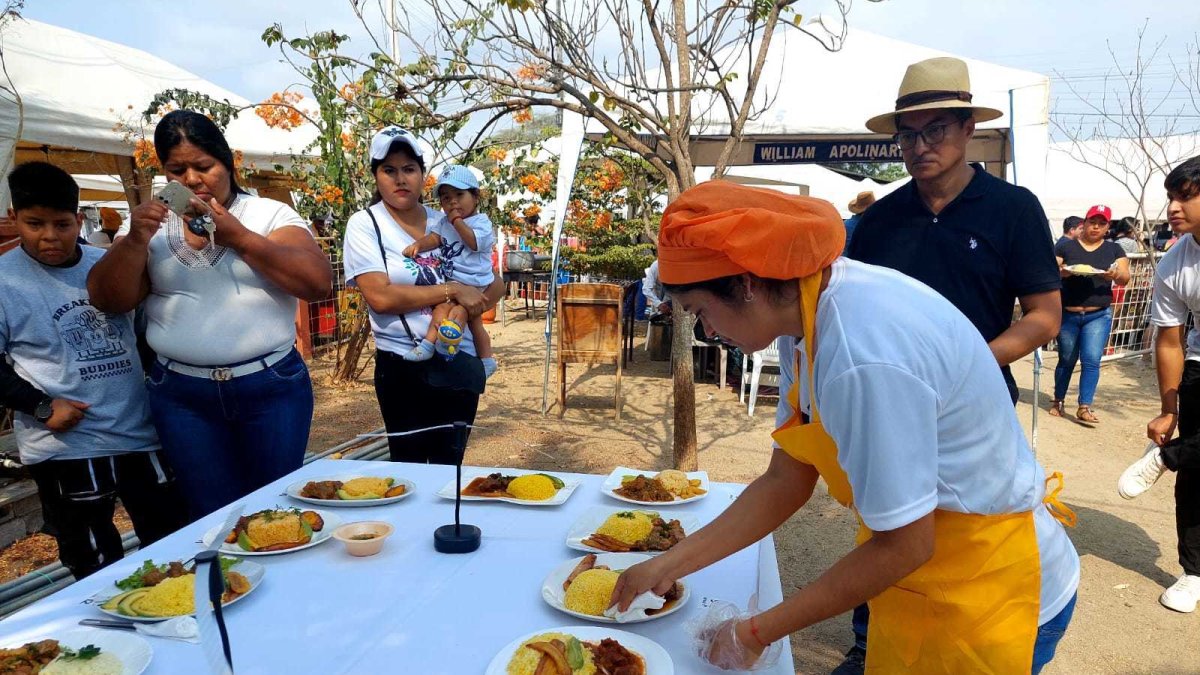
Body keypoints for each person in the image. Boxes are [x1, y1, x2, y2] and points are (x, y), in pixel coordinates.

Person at [609, 181, 1079, 673]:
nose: (708, 332)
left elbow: (906, 544)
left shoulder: (861, 352)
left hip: (992, 588)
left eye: (701, 312)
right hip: (922, 577)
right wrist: (668, 563)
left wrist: (754, 632)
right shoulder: (800, 322)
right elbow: (785, 480)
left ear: (746, 282)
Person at [841, 56, 1062, 670]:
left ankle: (973, 638)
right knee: (889, 519)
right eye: (907, 133)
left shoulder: (1013, 208)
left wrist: (970, 363)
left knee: (972, 528)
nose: (919, 146)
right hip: (892, 406)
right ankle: (873, 638)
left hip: (977, 403)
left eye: (935, 129)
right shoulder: (879, 221)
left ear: (968, 129)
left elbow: (1044, 315)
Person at [87, 110, 332, 520]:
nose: (192, 180)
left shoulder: (268, 215)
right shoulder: (149, 224)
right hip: (183, 396)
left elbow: (316, 283)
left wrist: (238, 236)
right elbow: (109, 299)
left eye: (204, 166)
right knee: (210, 517)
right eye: (176, 170)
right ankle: (221, 585)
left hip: (270, 387)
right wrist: (134, 242)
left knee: (276, 511)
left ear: (228, 163)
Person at [0, 162, 185, 579]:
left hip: (138, 434)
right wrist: (42, 405)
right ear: (13, 217)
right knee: (93, 559)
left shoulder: (108, 264)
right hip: (67, 446)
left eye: (62, 224)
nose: (50, 236)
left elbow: (145, 334)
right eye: (34, 223)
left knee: (173, 542)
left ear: (79, 219)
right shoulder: (4, 281)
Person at [343, 127, 504, 464]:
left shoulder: (445, 218)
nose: (400, 179)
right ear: (375, 175)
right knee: (411, 469)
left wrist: (466, 309)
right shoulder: (366, 224)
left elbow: (497, 283)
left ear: (422, 175)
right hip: (403, 365)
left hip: (458, 361)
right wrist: (453, 290)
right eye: (389, 170)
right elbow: (381, 297)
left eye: (409, 169)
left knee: (449, 471)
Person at [1117, 155, 1200, 613]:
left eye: (1186, 196)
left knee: (1188, 457)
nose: (1173, 207)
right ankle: (1194, 573)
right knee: (1196, 480)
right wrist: (1169, 409)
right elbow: (1169, 340)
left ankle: (1168, 457)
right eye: (1172, 197)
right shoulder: (1175, 261)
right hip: (1199, 365)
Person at [400, 164, 498, 379]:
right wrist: (419, 245)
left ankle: (453, 348)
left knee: (459, 315)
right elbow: (435, 238)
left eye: (459, 195)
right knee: (444, 310)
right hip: (454, 282)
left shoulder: (481, 223)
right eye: (445, 198)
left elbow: (473, 243)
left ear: (476, 197)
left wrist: (457, 221)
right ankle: (430, 346)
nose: (452, 201)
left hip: (474, 282)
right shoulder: (444, 222)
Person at [1048, 204, 1130, 423]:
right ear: (1084, 223)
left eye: (1101, 223)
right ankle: (1058, 400)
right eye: (1092, 222)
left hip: (1098, 314)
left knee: (1092, 360)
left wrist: (1113, 275)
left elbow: (1124, 276)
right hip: (1069, 313)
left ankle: (1084, 406)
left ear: (1107, 227)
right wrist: (1063, 272)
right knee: (1066, 359)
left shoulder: (1114, 249)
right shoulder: (1066, 247)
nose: (1096, 227)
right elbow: (1051, 272)